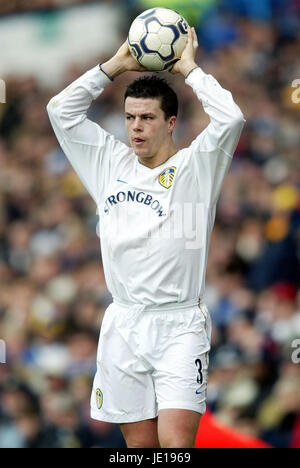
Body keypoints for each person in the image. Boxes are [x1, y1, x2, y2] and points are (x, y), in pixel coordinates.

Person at [47, 27, 245, 448]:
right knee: (139, 451)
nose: (136, 127)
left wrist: (190, 69)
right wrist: (113, 66)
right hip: (123, 323)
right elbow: (61, 110)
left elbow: (231, 118)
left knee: (176, 448)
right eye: (130, 117)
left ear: (171, 122)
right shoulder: (107, 161)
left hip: (179, 325)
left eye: (148, 117)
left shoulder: (198, 167)